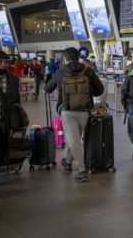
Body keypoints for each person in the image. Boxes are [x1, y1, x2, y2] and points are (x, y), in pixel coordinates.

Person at [44, 47, 104, 182]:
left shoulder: (61, 72)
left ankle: (82, 170)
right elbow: (99, 90)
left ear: (65, 58)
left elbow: (47, 88)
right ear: (78, 57)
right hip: (85, 110)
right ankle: (67, 160)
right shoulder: (88, 71)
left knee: (73, 139)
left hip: (67, 110)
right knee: (75, 138)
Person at [0, 51, 20, 191]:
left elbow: (16, 102)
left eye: (6, 62)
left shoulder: (13, 79)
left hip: (2, 124)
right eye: (0, 61)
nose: (4, 64)